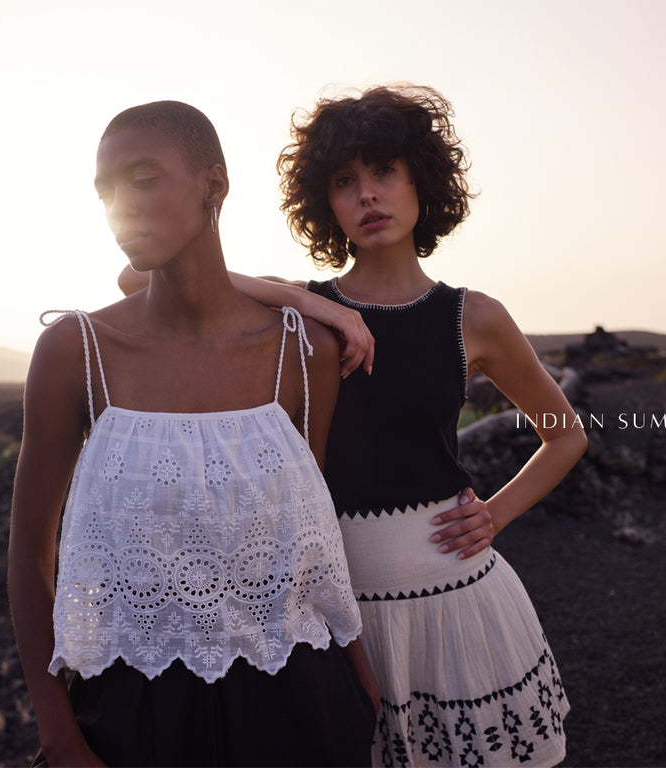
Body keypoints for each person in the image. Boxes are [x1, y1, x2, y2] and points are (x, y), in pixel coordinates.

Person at [120, 84, 588, 767]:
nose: (368, 195)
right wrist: (318, 305)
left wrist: (495, 513)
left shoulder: (474, 317)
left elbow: (565, 432)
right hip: (333, 616)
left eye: (384, 172)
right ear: (325, 203)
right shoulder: (303, 314)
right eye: (345, 181)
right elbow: (136, 278)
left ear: (421, 181)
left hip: (457, 602)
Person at [8, 100, 378, 767]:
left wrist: (366, 690)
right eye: (105, 189)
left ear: (214, 185)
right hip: (133, 714)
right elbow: (29, 551)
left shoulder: (305, 354)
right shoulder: (77, 352)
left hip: (302, 703)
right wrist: (59, 735)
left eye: (143, 178)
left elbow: (312, 544)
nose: (120, 203)